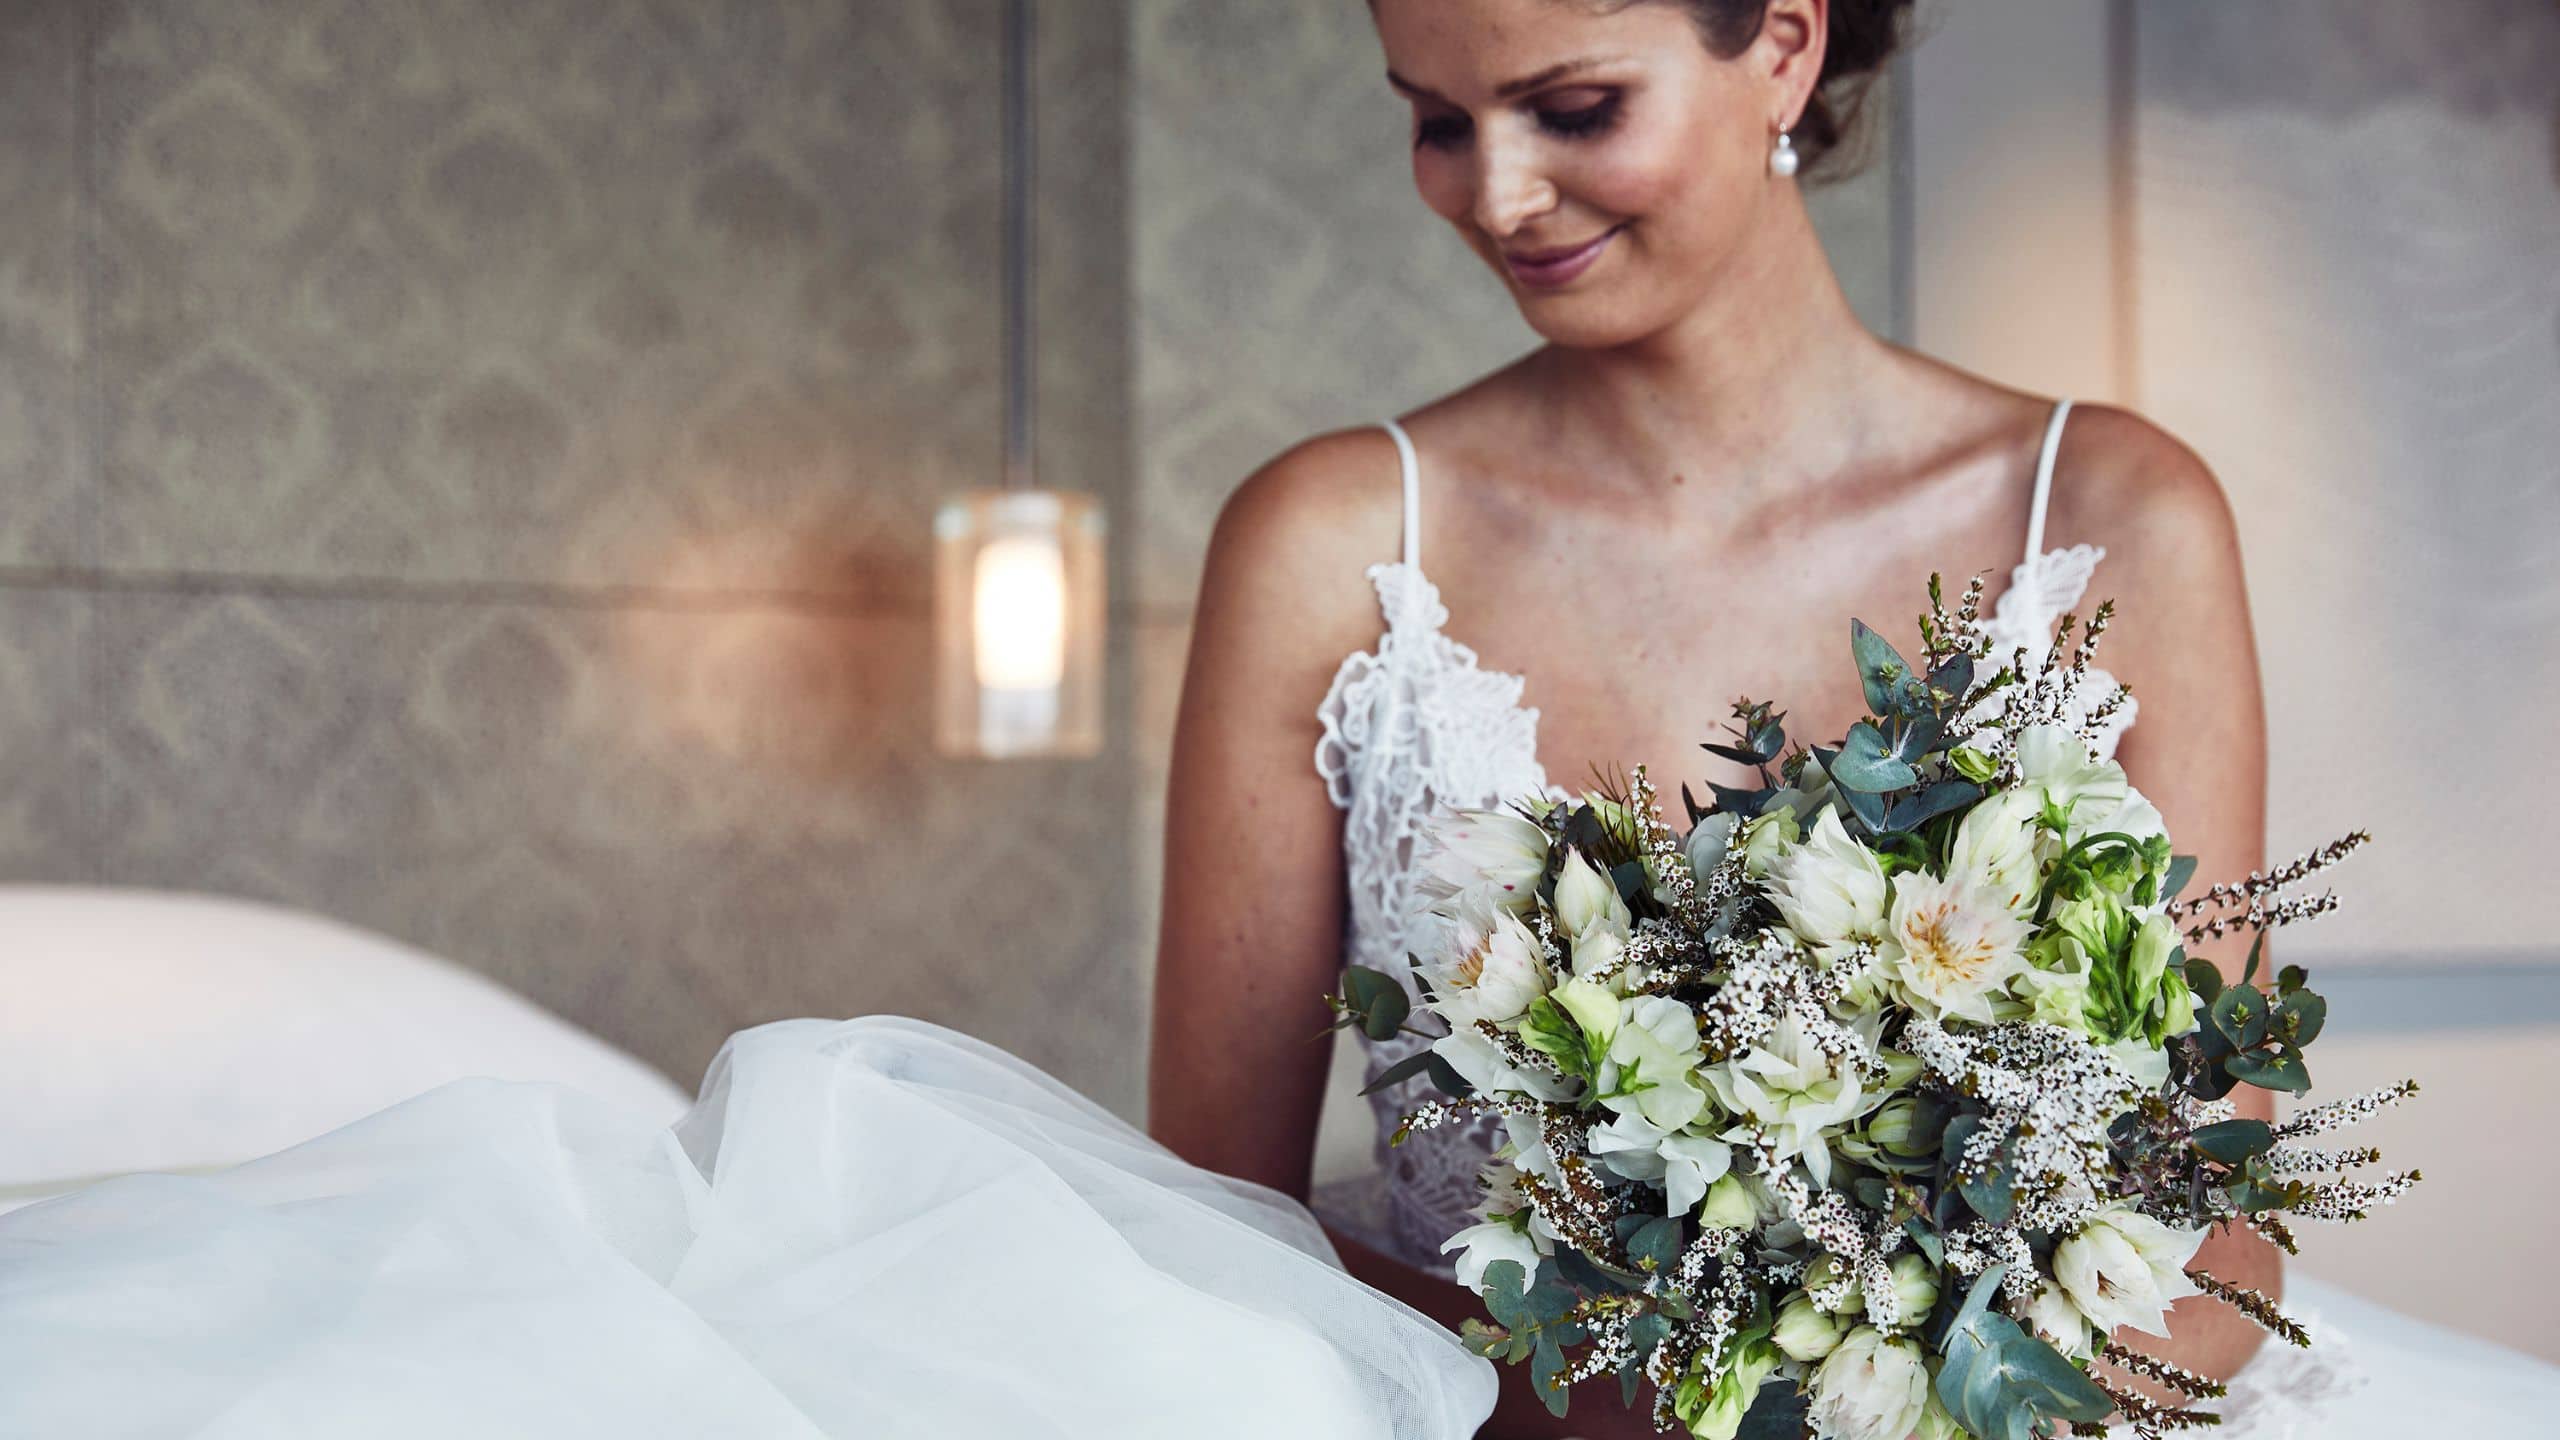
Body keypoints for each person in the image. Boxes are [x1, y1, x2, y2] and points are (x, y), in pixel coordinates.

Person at [1146, 2, 2560, 1437]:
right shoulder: (1330, 546)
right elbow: (1204, 1224)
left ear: (1783, 43)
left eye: (1573, 111)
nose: (1498, 195)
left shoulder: (2119, 517)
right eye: (1440, 122)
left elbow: (2216, 1231)